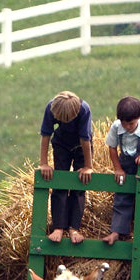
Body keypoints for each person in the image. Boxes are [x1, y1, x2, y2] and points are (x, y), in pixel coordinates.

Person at [103, 96, 140, 248]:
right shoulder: (116, 127)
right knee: (122, 197)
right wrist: (118, 168)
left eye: (131, 123)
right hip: (125, 163)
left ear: (139, 118)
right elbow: (112, 148)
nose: (127, 126)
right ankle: (117, 231)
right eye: (124, 123)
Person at [38, 90, 93, 244]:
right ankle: (59, 227)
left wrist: (88, 166)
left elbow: (85, 139)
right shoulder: (51, 107)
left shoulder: (84, 110)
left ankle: (74, 228)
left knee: (79, 184)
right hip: (61, 143)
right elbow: (45, 135)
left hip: (82, 146)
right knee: (59, 183)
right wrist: (44, 163)